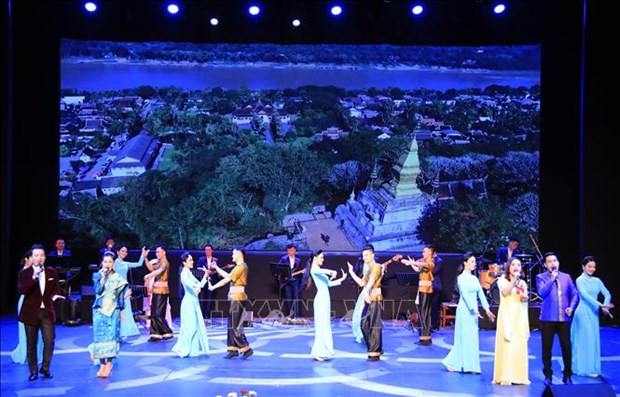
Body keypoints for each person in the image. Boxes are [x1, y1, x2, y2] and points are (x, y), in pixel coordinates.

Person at [442, 252, 495, 374]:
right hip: (465, 311)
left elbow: (481, 294)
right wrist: (473, 309)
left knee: (472, 338)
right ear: (465, 263)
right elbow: (465, 295)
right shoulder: (461, 278)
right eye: (471, 261)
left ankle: (471, 366)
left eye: (474, 262)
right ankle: (454, 362)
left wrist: (486, 309)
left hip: (474, 312)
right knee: (463, 338)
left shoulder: (475, 279)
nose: (474, 264)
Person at [18, 244, 64, 381]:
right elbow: (22, 290)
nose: (39, 258)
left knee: (49, 341)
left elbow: (56, 289)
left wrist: (56, 296)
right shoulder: (25, 273)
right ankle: (33, 371)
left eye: (42, 255)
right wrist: (33, 277)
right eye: (36, 255)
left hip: (47, 312)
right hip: (30, 312)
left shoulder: (51, 272)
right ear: (31, 258)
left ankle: (45, 368)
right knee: (31, 343)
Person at [536, 252, 579, 385]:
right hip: (547, 318)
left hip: (564, 319)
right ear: (545, 264)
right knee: (546, 348)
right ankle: (548, 375)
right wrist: (551, 279)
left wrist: (571, 307)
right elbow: (541, 293)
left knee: (566, 347)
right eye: (549, 261)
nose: (553, 263)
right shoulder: (541, 277)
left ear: (558, 262)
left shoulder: (566, 277)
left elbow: (575, 294)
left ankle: (567, 375)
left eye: (555, 260)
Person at [570, 256, 614, 377]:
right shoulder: (580, 280)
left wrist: (605, 304)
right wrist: (601, 306)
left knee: (592, 339)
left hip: (593, 312)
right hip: (583, 312)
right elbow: (585, 295)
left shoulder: (597, 280)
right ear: (583, 266)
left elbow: (607, 293)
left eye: (593, 267)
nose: (592, 269)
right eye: (589, 266)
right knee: (585, 339)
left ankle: (591, 368)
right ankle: (582, 368)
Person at [208, 246, 254, 359]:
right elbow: (229, 276)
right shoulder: (238, 267)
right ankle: (233, 349)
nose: (232, 256)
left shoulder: (241, 267)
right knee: (231, 324)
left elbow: (226, 280)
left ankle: (246, 348)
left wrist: (213, 287)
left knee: (235, 325)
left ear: (239, 253)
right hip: (235, 297)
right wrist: (217, 268)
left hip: (238, 298)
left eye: (233, 254)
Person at [89, 252, 128, 378]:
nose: (107, 264)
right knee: (100, 337)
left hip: (113, 310)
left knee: (111, 337)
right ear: (102, 263)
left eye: (110, 262)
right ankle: (101, 364)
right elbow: (98, 291)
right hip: (99, 310)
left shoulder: (118, 278)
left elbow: (121, 297)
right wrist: (102, 279)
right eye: (105, 262)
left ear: (113, 264)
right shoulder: (97, 275)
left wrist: (122, 311)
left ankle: (109, 364)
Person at [492, 257, 531, 385]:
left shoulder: (523, 283)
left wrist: (525, 297)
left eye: (518, 265)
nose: (516, 267)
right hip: (507, 315)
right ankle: (506, 376)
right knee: (507, 345)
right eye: (513, 265)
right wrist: (513, 281)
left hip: (519, 317)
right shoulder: (502, 280)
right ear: (509, 267)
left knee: (518, 345)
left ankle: (518, 376)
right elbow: (504, 292)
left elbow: (524, 298)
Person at [304, 250, 347, 361]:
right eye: (321, 257)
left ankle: (322, 351)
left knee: (325, 325)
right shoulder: (314, 270)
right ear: (315, 258)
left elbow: (329, 284)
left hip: (325, 299)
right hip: (320, 300)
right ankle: (318, 351)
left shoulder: (320, 271)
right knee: (321, 326)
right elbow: (322, 271)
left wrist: (341, 279)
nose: (323, 259)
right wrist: (332, 271)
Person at [348, 245, 384, 361]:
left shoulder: (377, 267)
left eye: (366, 255)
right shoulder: (368, 269)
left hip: (375, 298)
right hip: (369, 298)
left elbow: (372, 281)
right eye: (363, 255)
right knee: (364, 324)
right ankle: (375, 348)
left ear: (372, 255)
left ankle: (374, 352)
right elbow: (362, 283)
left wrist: (365, 293)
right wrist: (351, 272)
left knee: (374, 325)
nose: (364, 257)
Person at [172, 252, 210, 358]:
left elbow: (199, 285)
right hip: (188, 303)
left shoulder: (189, 272)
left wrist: (206, 275)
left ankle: (192, 351)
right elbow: (189, 284)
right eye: (190, 260)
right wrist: (196, 287)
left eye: (192, 260)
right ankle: (180, 348)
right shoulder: (184, 273)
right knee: (191, 327)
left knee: (196, 327)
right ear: (184, 262)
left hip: (194, 302)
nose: (192, 262)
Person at [11, 249, 43, 364]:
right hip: (25, 301)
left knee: (38, 331)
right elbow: (23, 289)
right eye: (34, 257)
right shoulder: (24, 272)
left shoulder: (39, 270)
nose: (36, 259)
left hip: (37, 302)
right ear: (27, 259)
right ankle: (25, 354)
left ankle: (38, 355)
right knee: (26, 331)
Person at [401, 244, 437, 346]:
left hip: (426, 291)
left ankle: (425, 338)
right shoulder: (424, 263)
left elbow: (426, 266)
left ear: (430, 253)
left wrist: (412, 262)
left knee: (424, 314)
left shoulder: (431, 263)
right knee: (422, 313)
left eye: (424, 251)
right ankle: (423, 337)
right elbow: (418, 270)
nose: (422, 253)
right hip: (421, 290)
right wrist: (412, 263)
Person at [114, 244, 149, 340]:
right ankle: (117, 331)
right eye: (122, 251)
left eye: (126, 251)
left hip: (126, 289)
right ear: (117, 252)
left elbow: (139, 264)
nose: (124, 253)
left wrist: (143, 254)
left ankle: (125, 331)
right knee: (119, 311)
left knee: (126, 310)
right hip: (117, 289)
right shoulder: (114, 263)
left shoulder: (125, 263)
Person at [144, 244, 174, 341]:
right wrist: (145, 257)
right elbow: (151, 268)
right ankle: (155, 333)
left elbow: (158, 272)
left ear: (164, 252)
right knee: (153, 313)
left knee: (158, 313)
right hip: (156, 290)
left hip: (162, 291)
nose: (157, 254)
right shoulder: (158, 262)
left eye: (158, 252)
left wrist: (148, 275)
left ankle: (167, 331)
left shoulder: (165, 263)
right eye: (156, 252)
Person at [277, 243, 306, 320]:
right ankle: (290, 315)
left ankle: (297, 316)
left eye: (293, 250)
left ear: (295, 250)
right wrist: (282, 276)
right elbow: (278, 269)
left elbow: (301, 270)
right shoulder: (283, 259)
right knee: (288, 299)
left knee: (297, 299)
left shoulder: (298, 260)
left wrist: (302, 272)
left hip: (295, 281)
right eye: (290, 250)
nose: (291, 251)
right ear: (287, 250)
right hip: (287, 282)